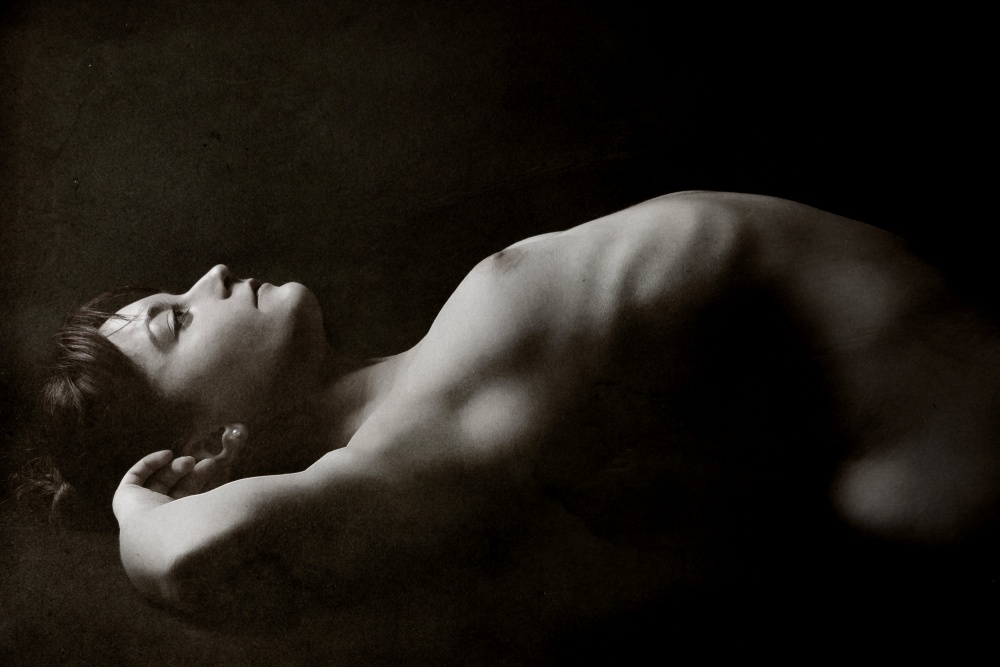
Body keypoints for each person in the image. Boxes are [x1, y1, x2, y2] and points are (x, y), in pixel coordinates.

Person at [33, 190, 1000, 648]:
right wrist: (137, 518)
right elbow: (191, 554)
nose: (206, 278)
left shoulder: (422, 385)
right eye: (174, 321)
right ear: (209, 442)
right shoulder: (409, 442)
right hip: (958, 428)